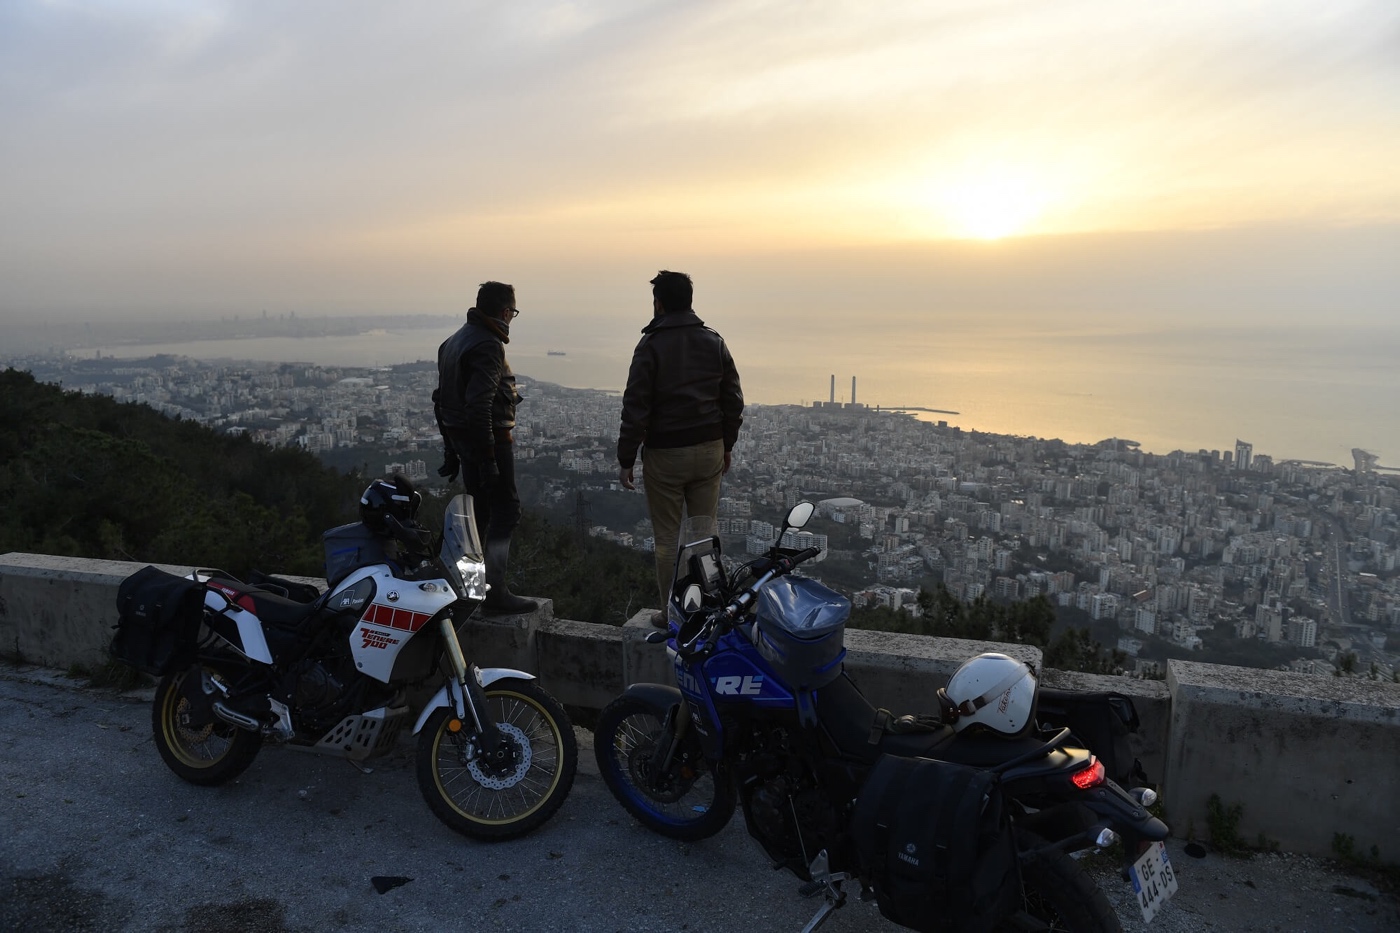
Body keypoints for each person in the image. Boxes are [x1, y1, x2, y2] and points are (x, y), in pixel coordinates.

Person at [617, 270, 744, 622]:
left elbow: (635, 407)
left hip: (666, 455)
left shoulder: (650, 345)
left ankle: (673, 614)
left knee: (668, 541)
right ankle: (708, 609)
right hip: (709, 450)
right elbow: (732, 399)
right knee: (704, 534)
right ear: (689, 302)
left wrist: (626, 457)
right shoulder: (713, 341)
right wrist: (727, 444)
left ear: (658, 303)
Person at [434, 281, 537, 615]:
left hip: (466, 443)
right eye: (513, 313)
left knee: (479, 514)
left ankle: (471, 588)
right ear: (506, 312)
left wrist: (452, 451)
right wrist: (489, 458)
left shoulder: (450, 343)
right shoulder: (488, 345)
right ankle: (495, 592)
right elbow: (479, 407)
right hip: (489, 441)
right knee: (506, 510)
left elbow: (441, 403)